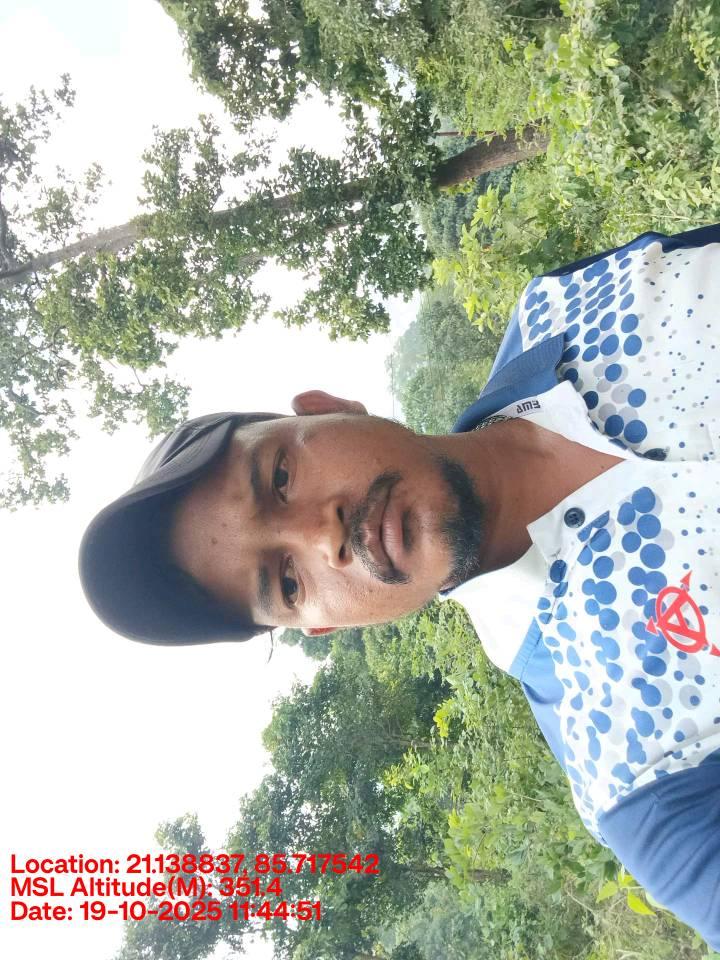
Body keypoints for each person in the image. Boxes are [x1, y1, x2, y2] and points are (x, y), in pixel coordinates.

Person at [79, 223, 720, 947]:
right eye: (286, 581)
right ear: (321, 625)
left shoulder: (566, 307)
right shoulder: (635, 766)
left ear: (324, 406)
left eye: (280, 477)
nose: (322, 536)